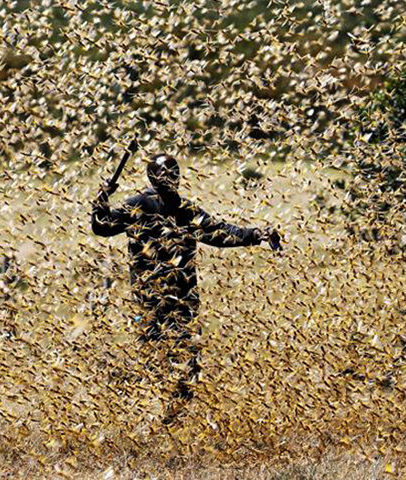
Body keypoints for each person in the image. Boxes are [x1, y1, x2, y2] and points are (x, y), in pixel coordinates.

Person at [91, 153, 283, 422]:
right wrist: (102, 198)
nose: (170, 178)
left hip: (172, 298)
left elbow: (220, 233)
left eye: (173, 174)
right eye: (167, 174)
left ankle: (168, 415)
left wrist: (255, 234)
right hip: (159, 299)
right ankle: (156, 413)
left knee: (178, 359)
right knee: (164, 357)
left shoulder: (181, 209)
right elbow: (103, 228)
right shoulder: (144, 206)